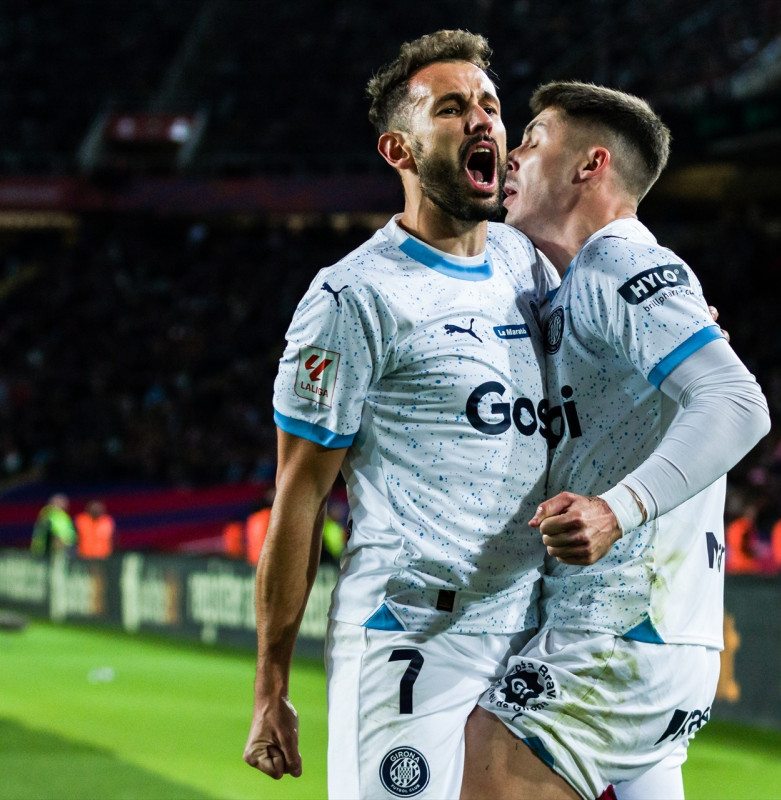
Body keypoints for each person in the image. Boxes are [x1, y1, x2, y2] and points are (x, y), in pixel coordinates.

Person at [243, 31, 554, 800]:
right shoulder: (354, 298)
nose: (483, 121)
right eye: (452, 109)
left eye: (489, 105)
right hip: (409, 642)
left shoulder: (530, 266)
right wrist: (269, 687)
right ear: (400, 149)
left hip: (529, 640)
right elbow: (300, 497)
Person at [464, 82, 771, 800]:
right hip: (643, 636)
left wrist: (616, 509)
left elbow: (736, 402)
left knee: (477, 773)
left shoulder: (620, 264)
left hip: (617, 634)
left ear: (589, 165)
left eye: (533, 140)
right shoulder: (573, 291)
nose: (512, 155)